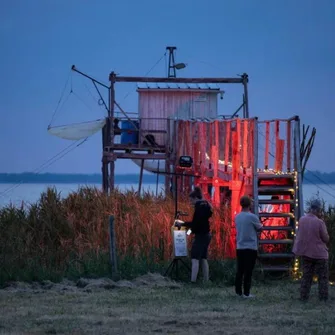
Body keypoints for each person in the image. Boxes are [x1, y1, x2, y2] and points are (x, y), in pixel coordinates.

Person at [292, 199, 329, 302]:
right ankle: (323, 298)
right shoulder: (319, 222)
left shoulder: (302, 220)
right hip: (319, 254)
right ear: (317, 210)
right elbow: (325, 238)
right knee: (323, 277)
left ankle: (303, 297)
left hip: (305, 252)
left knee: (306, 277)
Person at [175, 186, 213, 283]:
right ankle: (206, 280)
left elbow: (194, 224)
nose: (190, 202)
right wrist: (189, 232)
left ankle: (193, 281)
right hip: (207, 234)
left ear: (195, 198)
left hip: (201, 235)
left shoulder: (198, 208)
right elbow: (197, 224)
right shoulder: (206, 206)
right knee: (203, 258)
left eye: (191, 200)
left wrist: (182, 224)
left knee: (195, 258)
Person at [234, 195, 263, 298]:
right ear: (249, 204)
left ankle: (238, 292)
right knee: (248, 271)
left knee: (240, 270)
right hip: (251, 247)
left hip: (240, 246)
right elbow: (260, 228)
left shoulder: (237, 217)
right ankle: (246, 292)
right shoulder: (252, 217)